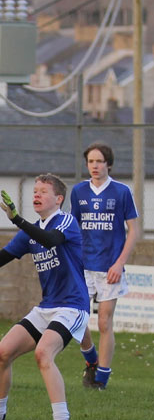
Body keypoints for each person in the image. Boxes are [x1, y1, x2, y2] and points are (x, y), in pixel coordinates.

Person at [0, 175, 90, 420]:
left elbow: (51, 240)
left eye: (43, 191)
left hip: (73, 306)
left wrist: (17, 220)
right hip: (47, 307)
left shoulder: (66, 221)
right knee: (2, 353)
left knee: (43, 353)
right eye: (34, 190)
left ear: (58, 199)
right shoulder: (30, 233)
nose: (36, 194)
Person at [70, 142, 139, 390]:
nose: (95, 166)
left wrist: (120, 263)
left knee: (104, 323)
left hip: (110, 267)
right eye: (91, 162)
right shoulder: (78, 192)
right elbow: (73, 229)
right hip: (83, 267)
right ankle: (91, 360)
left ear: (108, 163)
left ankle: (101, 378)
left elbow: (134, 230)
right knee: (77, 320)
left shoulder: (121, 192)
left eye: (99, 161)